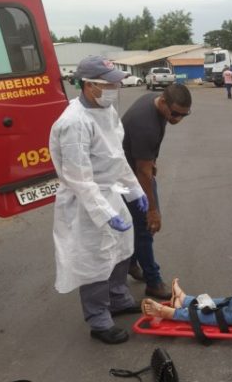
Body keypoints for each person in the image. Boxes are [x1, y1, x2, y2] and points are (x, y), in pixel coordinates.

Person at [49, 55, 149, 345]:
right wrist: (103, 212)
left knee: (121, 248)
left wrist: (135, 190)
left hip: (110, 192)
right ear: (89, 84)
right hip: (85, 202)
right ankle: (98, 319)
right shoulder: (74, 123)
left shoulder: (106, 110)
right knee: (94, 259)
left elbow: (116, 157)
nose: (115, 88)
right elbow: (78, 177)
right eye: (109, 84)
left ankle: (117, 299)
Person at [122, 84, 192, 300]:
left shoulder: (158, 104)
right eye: (175, 114)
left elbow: (146, 162)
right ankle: (153, 281)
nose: (178, 119)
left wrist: (151, 160)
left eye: (184, 115)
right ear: (163, 102)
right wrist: (152, 209)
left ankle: (132, 263)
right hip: (130, 177)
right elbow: (143, 173)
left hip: (135, 166)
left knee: (139, 226)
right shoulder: (145, 125)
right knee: (147, 226)